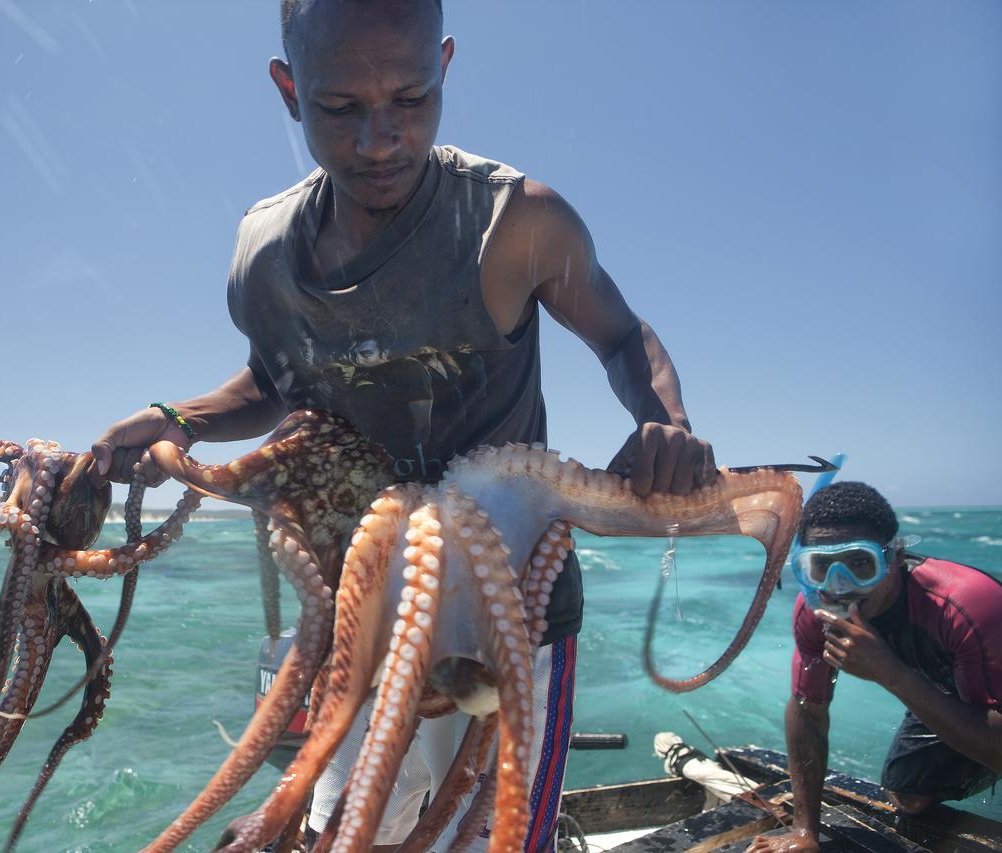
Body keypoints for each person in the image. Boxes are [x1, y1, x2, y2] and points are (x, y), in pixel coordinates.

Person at [90, 1, 716, 849]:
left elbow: (621, 335)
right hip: (365, 604)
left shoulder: (515, 222)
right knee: (356, 827)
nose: (379, 138)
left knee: (497, 830)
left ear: (446, 69)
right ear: (288, 89)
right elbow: (280, 377)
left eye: (412, 98)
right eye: (341, 107)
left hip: (514, 613)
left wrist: (663, 421)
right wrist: (179, 419)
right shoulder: (264, 254)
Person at [748, 482, 1002, 852]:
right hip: (941, 686)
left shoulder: (963, 603)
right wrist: (805, 831)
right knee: (908, 795)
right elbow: (808, 712)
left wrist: (890, 674)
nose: (840, 586)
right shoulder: (815, 612)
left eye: (860, 563)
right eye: (821, 566)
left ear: (894, 557)